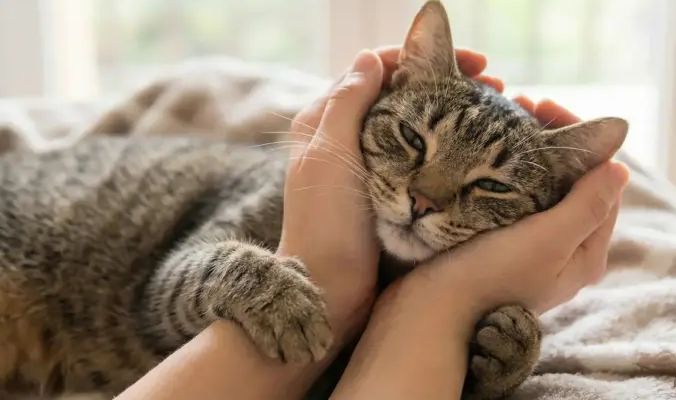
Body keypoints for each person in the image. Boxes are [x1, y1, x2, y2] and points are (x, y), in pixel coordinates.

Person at [114, 48, 629, 400]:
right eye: (411, 139)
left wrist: (466, 321)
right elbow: (158, 305)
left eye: (492, 187)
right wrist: (256, 277)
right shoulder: (290, 200)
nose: (426, 197)